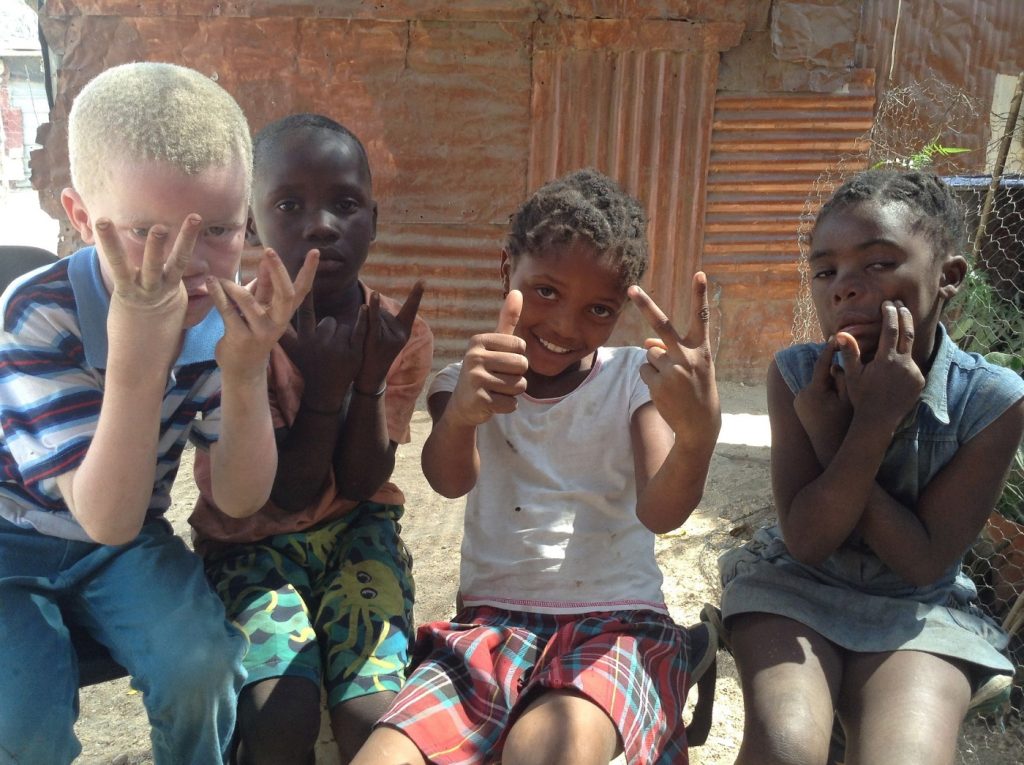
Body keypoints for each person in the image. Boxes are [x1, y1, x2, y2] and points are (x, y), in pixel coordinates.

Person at [0, 63, 317, 764]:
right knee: (21, 723)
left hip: (126, 543)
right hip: (12, 541)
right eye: (148, 231)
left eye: (221, 230)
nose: (189, 266)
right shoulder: (35, 315)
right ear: (81, 218)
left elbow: (238, 497)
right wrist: (139, 362)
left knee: (202, 668)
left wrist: (244, 371)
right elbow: (98, 511)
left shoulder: (219, 317)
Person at [351, 168, 721, 765]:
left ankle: (670, 664)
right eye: (546, 291)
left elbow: (661, 511)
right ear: (507, 271)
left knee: (543, 753)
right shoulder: (470, 377)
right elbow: (449, 481)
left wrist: (699, 435)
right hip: (489, 630)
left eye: (598, 309)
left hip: (614, 625)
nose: (565, 326)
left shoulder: (631, 379)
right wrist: (465, 415)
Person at [718, 168, 1024, 765]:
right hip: (795, 589)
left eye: (878, 264)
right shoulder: (796, 376)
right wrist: (864, 428)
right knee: (784, 747)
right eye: (825, 271)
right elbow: (806, 540)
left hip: (920, 608)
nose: (845, 288)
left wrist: (862, 427)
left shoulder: (992, 400)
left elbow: (922, 560)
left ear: (949, 278)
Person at [189, 113, 433, 765]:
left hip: (357, 527)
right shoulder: (232, 332)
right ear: (251, 223)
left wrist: (368, 381)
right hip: (250, 542)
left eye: (346, 203)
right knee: (283, 712)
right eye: (290, 203)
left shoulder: (396, 333)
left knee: (370, 714)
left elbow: (359, 482)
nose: (322, 224)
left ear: (374, 221)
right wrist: (326, 391)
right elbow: (279, 495)